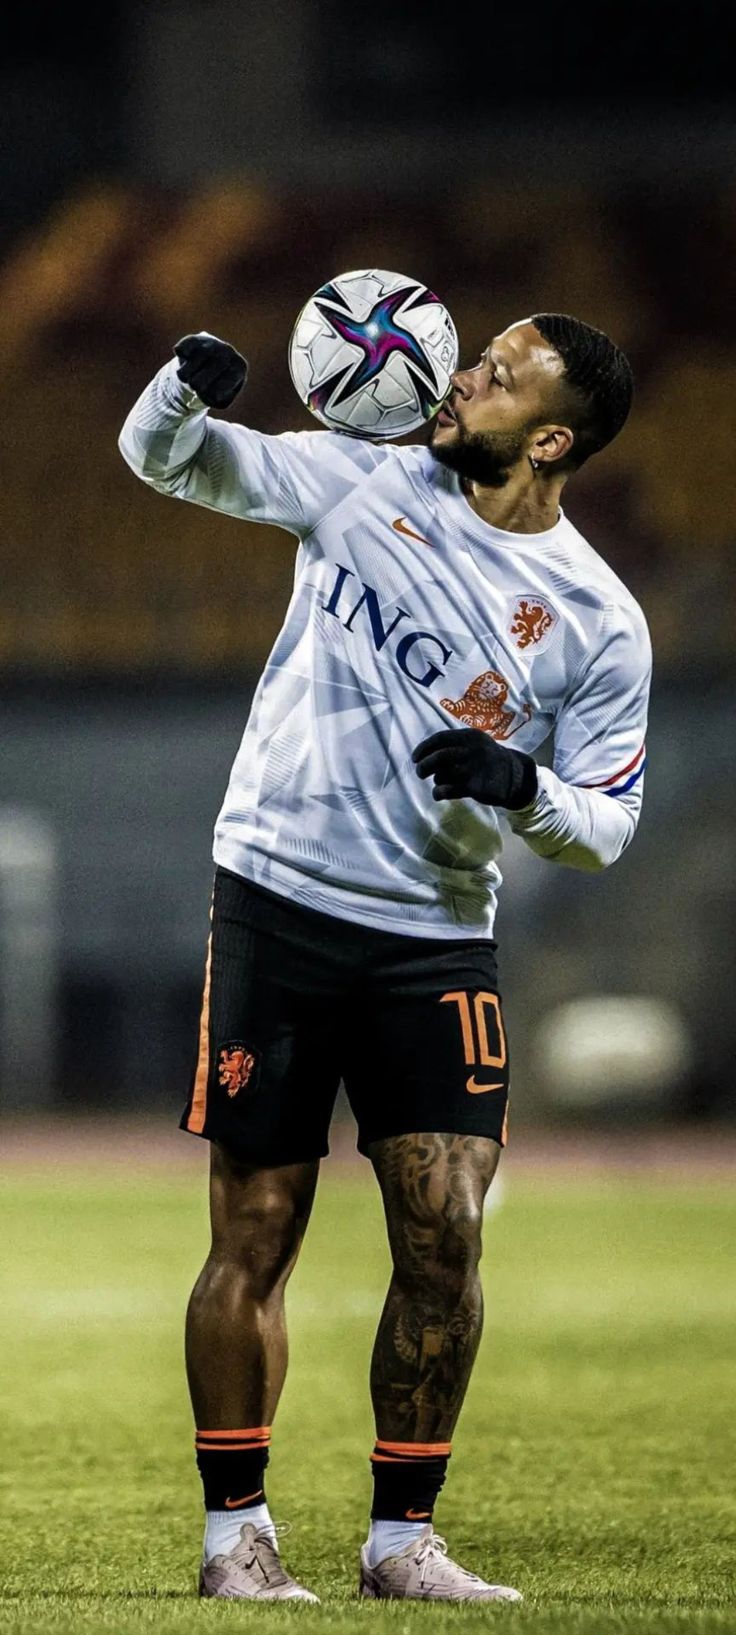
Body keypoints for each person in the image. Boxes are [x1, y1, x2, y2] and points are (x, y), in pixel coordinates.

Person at [118, 312, 651, 1602]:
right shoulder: (367, 474)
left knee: (447, 1239)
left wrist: (520, 786)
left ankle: (402, 1542)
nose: (462, 375)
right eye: (478, 360)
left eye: (498, 374)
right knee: (258, 1228)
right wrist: (182, 386)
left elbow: (605, 826)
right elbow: (165, 461)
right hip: (276, 898)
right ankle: (232, 1536)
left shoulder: (596, 618)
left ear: (550, 435)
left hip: (433, 937)